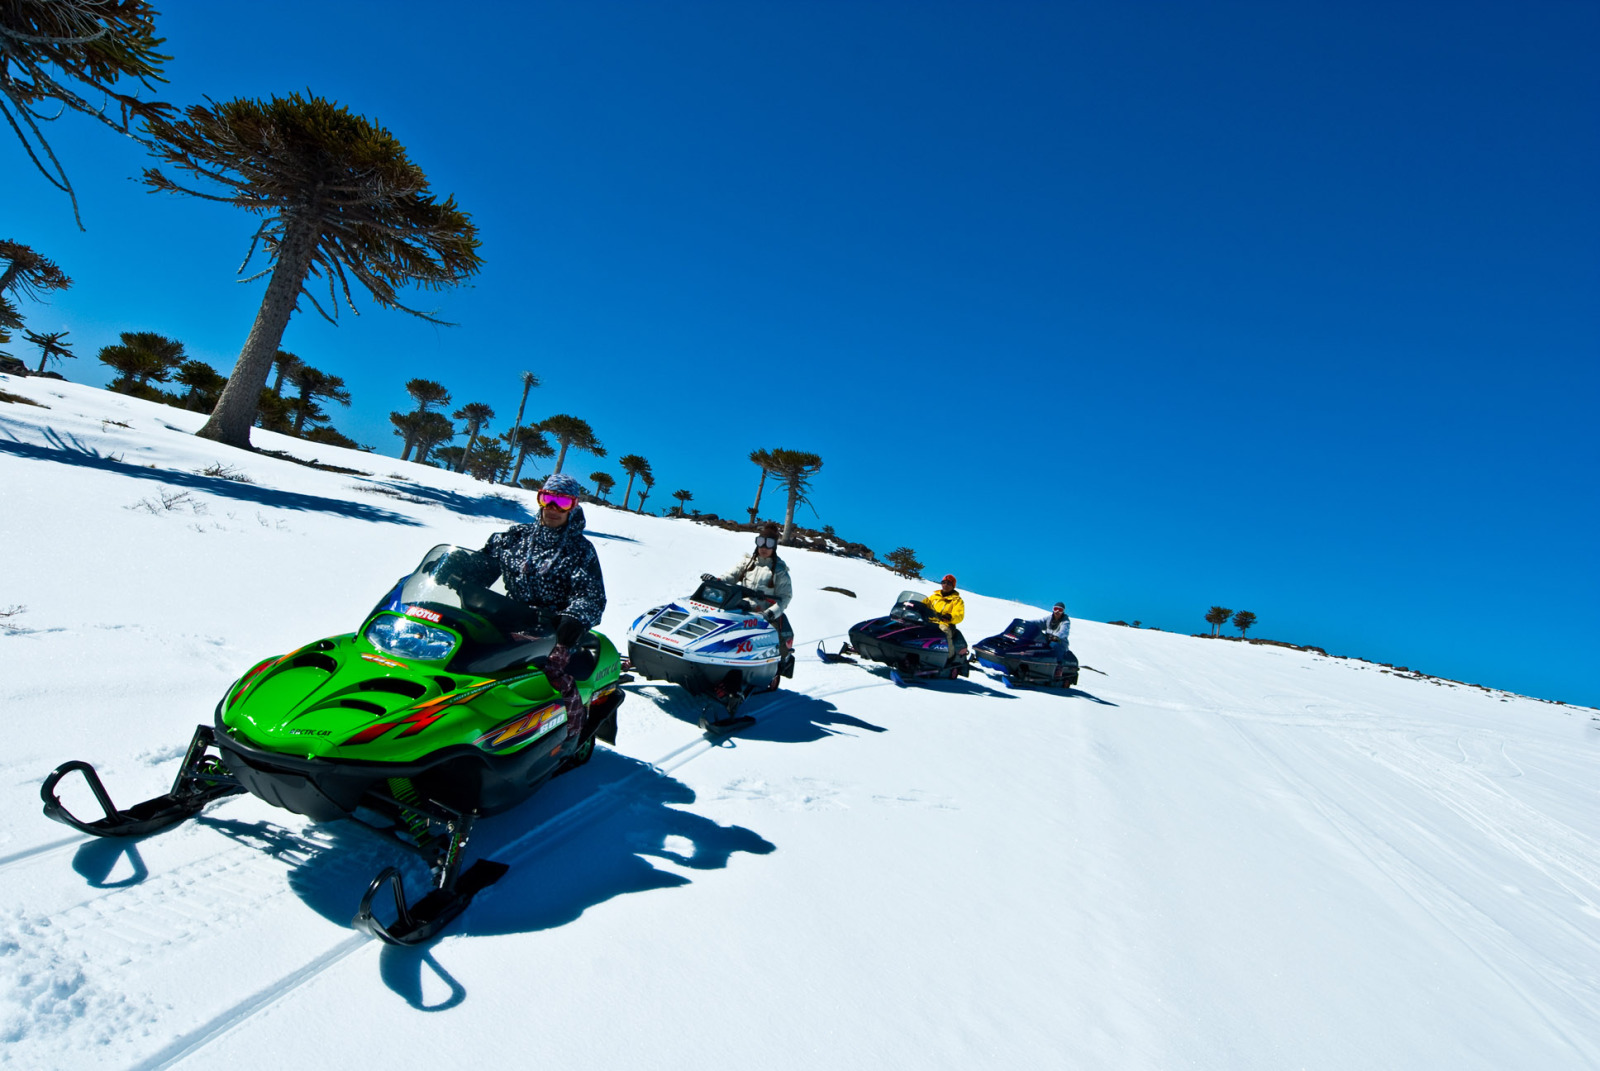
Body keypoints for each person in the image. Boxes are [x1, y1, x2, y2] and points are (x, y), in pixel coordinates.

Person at [468, 472, 606, 726]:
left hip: (553, 633)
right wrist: (456, 571)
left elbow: (591, 596)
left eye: (562, 502)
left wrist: (571, 622)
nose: (553, 508)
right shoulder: (514, 537)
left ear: (573, 506)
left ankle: (570, 733)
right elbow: (482, 566)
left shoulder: (580, 550)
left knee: (551, 677)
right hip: (506, 620)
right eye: (547, 499)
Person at [702, 522, 795, 660]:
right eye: (761, 542)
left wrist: (770, 613)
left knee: (770, 641)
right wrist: (716, 581)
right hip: (741, 608)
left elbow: (785, 597)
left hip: (763, 616)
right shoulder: (747, 562)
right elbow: (731, 577)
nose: (764, 548)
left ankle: (775, 662)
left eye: (769, 544)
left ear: (774, 546)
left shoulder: (779, 570)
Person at [926, 573, 967, 662]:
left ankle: (949, 657)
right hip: (929, 621)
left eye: (949, 583)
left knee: (944, 631)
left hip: (945, 623)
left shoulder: (957, 600)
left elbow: (959, 614)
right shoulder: (934, 597)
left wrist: (950, 616)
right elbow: (923, 604)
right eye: (943, 582)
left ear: (953, 586)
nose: (945, 585)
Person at [1040, 601, 1071, 678]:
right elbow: (1039, 622)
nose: (1057, 611)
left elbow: (1064, 631)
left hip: (1060, 643)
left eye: (1060, 610)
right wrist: (1027, 623)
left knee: (1054, 646)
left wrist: (1056, 637)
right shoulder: (1049, 619)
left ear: (1063, 612)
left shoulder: (1065, 621)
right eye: (1055, 609)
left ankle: (1058, 669)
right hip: (1048, 640)